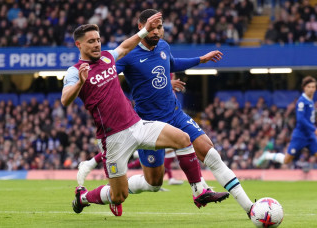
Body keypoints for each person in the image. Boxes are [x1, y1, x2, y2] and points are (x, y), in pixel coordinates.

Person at [77, 9, 253, 216]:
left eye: (160, 27)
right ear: (140, 28)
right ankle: (105, 194)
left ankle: (249, 208)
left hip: (174, 115)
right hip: (146, 124)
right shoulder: (129, 55)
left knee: (210, 152)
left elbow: (171, 63)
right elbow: (107, 78)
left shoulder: (163, 46)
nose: (157, 32)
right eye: (152, 28)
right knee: (153, 183)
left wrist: (201, 60)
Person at [256, 76, 317, 191]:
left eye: (313, 87)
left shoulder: (310, 101)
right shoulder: (302, 102)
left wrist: (314, 130)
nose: (311, 89)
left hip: (310, 136)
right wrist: (315, 129)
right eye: (309, 87)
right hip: (300, 136)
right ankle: (267, 155)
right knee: (287, 160)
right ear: (304, 88)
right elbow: (301, 120)